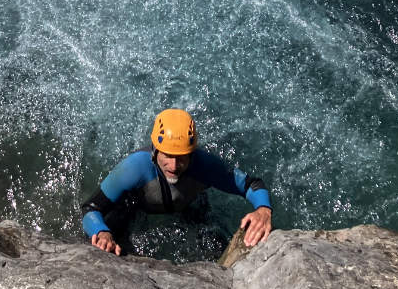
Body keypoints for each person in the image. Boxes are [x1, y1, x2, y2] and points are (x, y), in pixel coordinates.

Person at [81, 108, 273, 255]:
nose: (174, 165)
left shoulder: (204, 165)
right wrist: (102, 231)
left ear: (192, 153)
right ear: (156, 150)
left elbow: (252, 184)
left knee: (216, 245)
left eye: (182, 157)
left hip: (188, 207)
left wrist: (263, 210)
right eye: (168, 156)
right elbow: (90, 208)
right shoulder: (135, 167)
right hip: (136, 208)